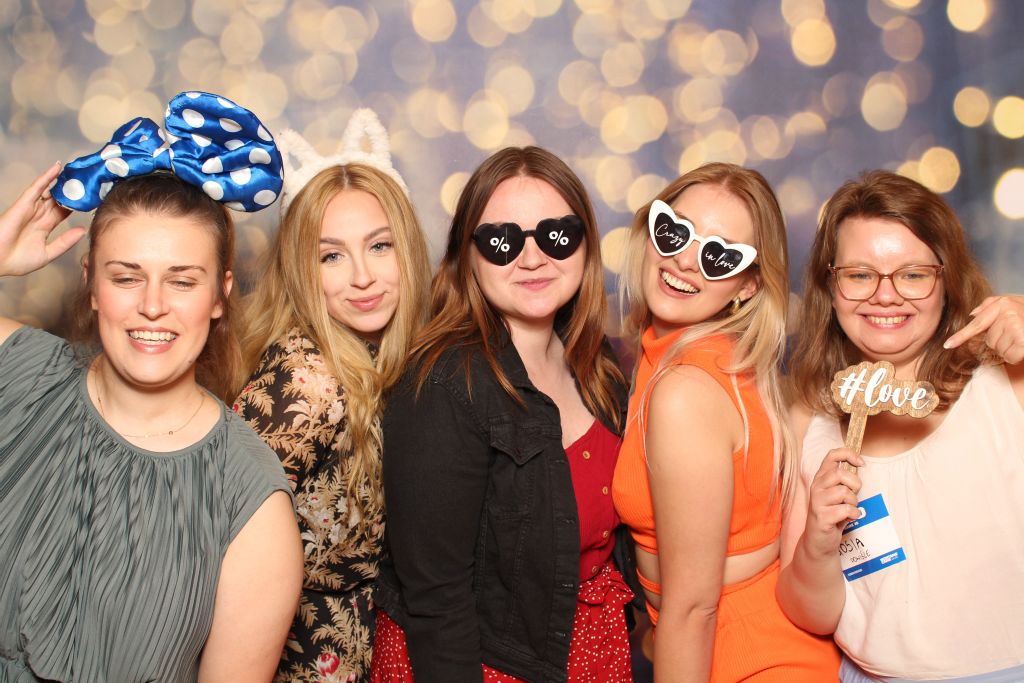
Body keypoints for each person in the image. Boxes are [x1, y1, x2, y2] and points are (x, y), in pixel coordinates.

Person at [0, 91, 302, 682]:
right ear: (91, 283)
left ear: (220, 295)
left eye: (183, 281)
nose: (153, 306)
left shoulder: (250, 504)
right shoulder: (20, 374)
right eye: (126, 277)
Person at [371, 146, 637, 682]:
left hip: (592, 647)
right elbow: (437, 598)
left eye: (556, 235)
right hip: (486, 663)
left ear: (586, 243)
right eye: (502, 241)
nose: (532, 258)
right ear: (466, 256)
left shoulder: (598, 365)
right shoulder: (444, 385)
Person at [779, 170, 1024, 682]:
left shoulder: (1006, 379)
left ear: (947, 281)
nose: (885, 296)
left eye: (912, 274)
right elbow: (811, 614)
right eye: (859, 274)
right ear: (830, 285)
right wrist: (818, 541)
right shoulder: (810, 418)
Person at [612, 162, 840, 681]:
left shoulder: (686, 391)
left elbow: (695, 608)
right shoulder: (696, 359)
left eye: (719, 256)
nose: (685, 261)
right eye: (674, 231)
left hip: (752, 662)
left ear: (748, 284)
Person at [232, 111, 431, 682]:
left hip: (371, 650)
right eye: (331, 255)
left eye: (380, 245)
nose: (362, 276)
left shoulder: (391, 358)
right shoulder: (308, 380)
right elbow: (211, 525)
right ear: (302, 268)